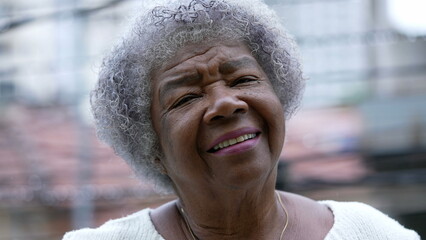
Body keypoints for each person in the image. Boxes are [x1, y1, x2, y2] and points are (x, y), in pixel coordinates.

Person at [63, 0, 420, 239]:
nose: (226, 103)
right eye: (186, 97)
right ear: (151, 146)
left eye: (243, 80)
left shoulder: (372, 234)